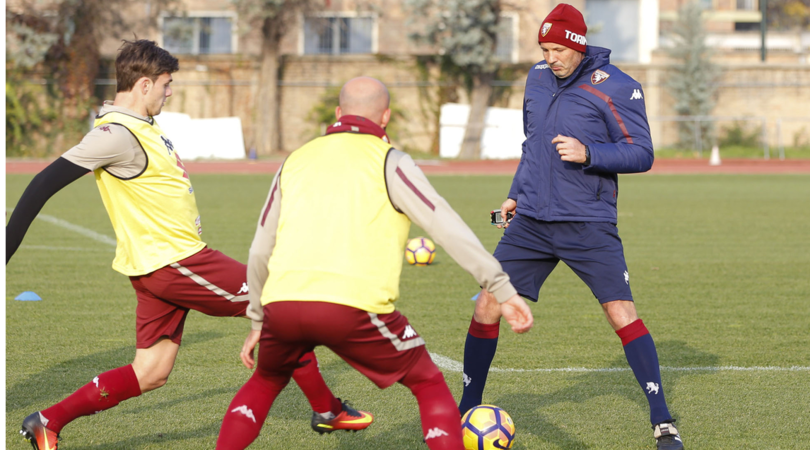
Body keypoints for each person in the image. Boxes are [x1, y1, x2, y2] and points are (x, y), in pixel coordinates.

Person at [5, 39, 371, 450]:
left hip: (161, 267)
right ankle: (327, 410)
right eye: (166, 83)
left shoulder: (141, 126)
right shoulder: (114, 134)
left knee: (151, 371)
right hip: (175, 262)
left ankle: (48, 422)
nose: (170, 91)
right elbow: (42, 184)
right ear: (143, 85)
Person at [214, 76, 534, 450]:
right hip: (352, 305)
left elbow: (259, 250)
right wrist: (501, 287)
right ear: (385, 117)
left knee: (265, 382)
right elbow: (448, 228)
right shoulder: (390, 161)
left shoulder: (294, 160)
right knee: (428, 383)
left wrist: (257, 318)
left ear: (337, 114)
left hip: (282, 304)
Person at [456, 4, 684, 450]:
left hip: (588, 221)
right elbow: (533, 145)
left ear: (579, 45)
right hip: (533, 219)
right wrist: (515, 194)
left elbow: (642, 153)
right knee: (487, 303)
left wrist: (590, 152)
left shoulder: (617, 87)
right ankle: (466, 408)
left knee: (621, 314)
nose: (551, 57)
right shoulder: (537, 78)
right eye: (544, 48)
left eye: (559, 48)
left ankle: (662, 421)